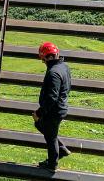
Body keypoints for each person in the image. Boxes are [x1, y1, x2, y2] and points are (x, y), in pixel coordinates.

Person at [33, 42, 72, 172]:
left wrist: (40, 112)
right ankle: (62, 150)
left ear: (48, 57)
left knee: (50, 138)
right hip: (60, 108)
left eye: (43, 59)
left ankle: (52, 165)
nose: (43, 62)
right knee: (46, 130)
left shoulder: (53, 73)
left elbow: (51, 98)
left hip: (54, 111)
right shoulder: (64, 67)